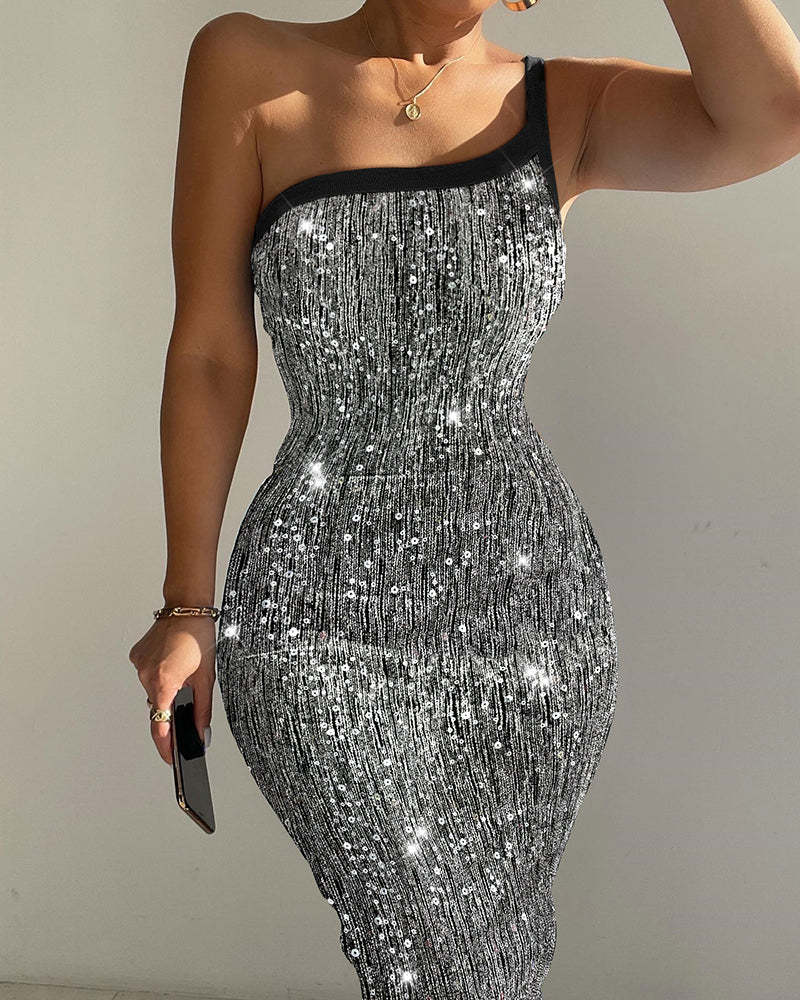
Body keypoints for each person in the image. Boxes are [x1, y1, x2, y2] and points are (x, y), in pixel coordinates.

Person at [128, 2, 800, 995]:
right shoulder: (246, 60)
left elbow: (775, 114)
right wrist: (187, 606)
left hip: (529, 625)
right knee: (429, 950)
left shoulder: (565, 104)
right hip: (311, 614)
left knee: (486, 958)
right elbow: (210, 355)